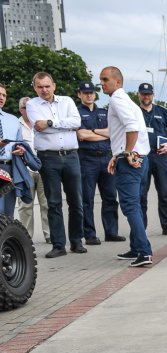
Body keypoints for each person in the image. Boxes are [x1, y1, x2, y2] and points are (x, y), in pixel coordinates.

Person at [26, 72, 85, 258]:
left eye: (47, 86)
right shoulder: (32, 104)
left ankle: (76, 242)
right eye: (40, 86)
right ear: (34, 88)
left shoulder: (67, 101)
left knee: (76, 201)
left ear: (54, 85)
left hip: (71, 156)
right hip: (48, 158)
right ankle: (59, 245)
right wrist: (63, 125)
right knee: (53, 203)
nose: (44, 90)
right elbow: (38, 126)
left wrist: (50, 122)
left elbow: (76, 122)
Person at [98, 67, 153, 267]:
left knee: (130, 206)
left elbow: (132, 127)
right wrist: (118, 154)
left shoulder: (116, 100)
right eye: (101, 80)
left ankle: (144, 252)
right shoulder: (128, 101)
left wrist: (127, 152)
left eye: (105, 79)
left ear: (118, 82)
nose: (102, 83)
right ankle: (137, 247)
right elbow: (124, 131)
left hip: (131, 161)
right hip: (141, 159)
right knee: (135, 205)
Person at [76, 81, 124, 244]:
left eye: (91, 92)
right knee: (87, 199)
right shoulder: (76, 113)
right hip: (86, 158)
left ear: (95, 95)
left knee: (110, 197)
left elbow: (113, 133)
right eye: (85, 92)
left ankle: (111, 232)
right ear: (79, 94)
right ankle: (89, 235)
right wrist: (103, 134)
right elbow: (81, 135)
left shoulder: (105, 112)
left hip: (105, 157)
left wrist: (93, 132)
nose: (89, 95)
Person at [137, 82, 167, 235]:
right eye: (143, 94)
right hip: (142, 157)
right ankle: (141, 227)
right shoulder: (135, 112)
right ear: (139, 95)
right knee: (141, 194)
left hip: (160, 156)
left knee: (164, 194)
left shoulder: (161, 111)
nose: (146, 97)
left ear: (153, 95)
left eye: (148, 94)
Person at [14, 97, 50, 243]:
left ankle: (50, 235)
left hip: (43, 168)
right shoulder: (15, 124)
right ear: (20, 110)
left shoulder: (41, 123)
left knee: (47, 204)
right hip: (24, 170)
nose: (29, 110)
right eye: (25, 107)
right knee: (25, 206)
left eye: (31, 107)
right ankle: (26, 238)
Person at [0, 83, 24, 218]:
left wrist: (20, 150)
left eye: (4, 95)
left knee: (8, 213)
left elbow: (19, 143)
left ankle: (7, 239)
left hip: (9, 167)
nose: (1, 97)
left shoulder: (13, 120)